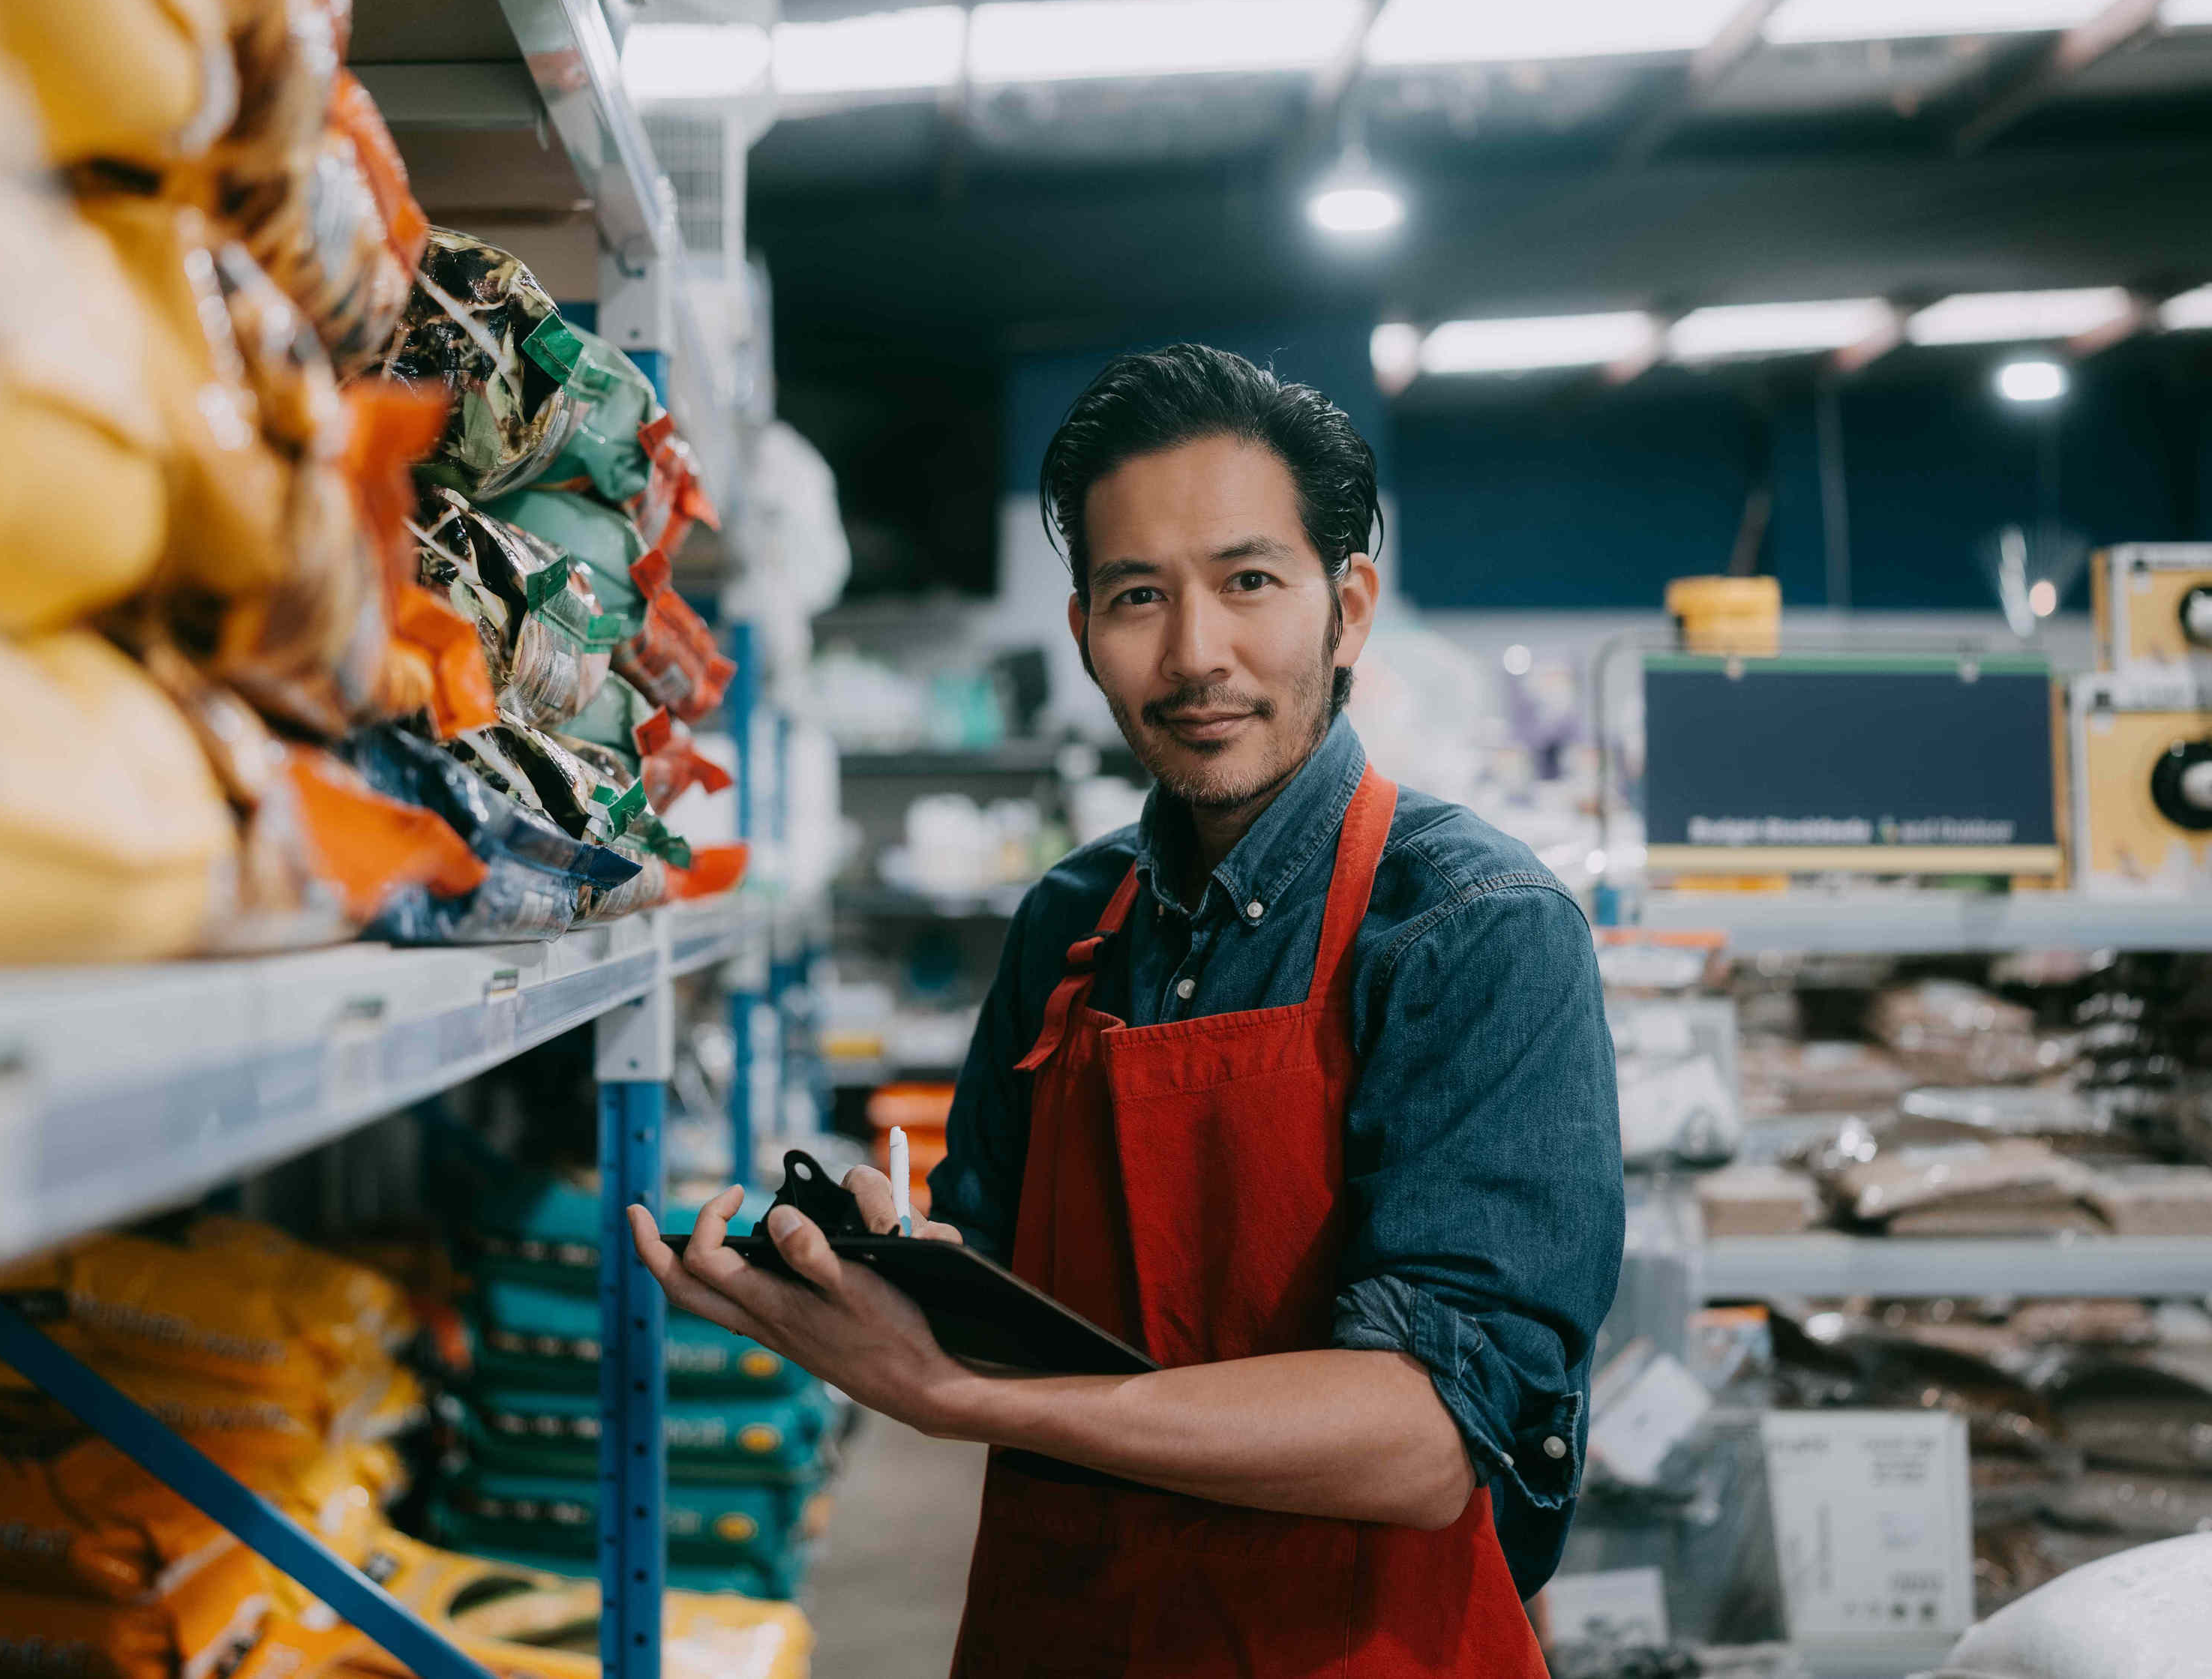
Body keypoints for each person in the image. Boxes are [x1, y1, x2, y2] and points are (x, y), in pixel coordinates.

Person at [631, 344, 1621, 1675]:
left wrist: (965, 1395)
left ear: (1350, 606)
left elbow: (1426, 1437)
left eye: (1249, 583)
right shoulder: (1066, 924)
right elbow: (1005, 1267)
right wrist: (889, 1270)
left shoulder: (1472, 931)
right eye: (1136, 595)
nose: (1194, 653)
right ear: (1084, 628)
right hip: (1071, 1626)